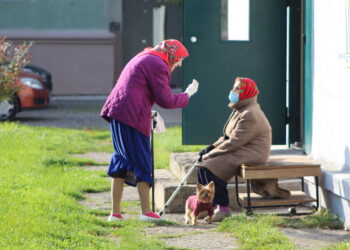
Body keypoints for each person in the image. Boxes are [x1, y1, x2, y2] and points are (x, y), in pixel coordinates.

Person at [101, 39, 199, 222]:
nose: (178, 64)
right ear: (172, 55)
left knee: (121, 160)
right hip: (131, 115)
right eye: (178, 60)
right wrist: (187, 95)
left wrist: (145, 108)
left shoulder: (145, 56)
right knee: (142, 161)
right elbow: (166, 100)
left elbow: (135, 88)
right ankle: (146, 213)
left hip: (118, 111)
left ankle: (115, 214)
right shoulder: (158, 64)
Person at [196, 77, 290, 222]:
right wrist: (211, 147)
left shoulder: (249, 113)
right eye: (234, 88)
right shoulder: (241, 108)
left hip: (252, 153)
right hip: (242, 149)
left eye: (237, 89)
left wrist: (211, 154)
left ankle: (223, 209)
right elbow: (228, 136)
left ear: (247, 92)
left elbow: (235, 141)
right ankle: (209, 205)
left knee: (211, 167)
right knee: (201, 168)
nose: (233, 91)